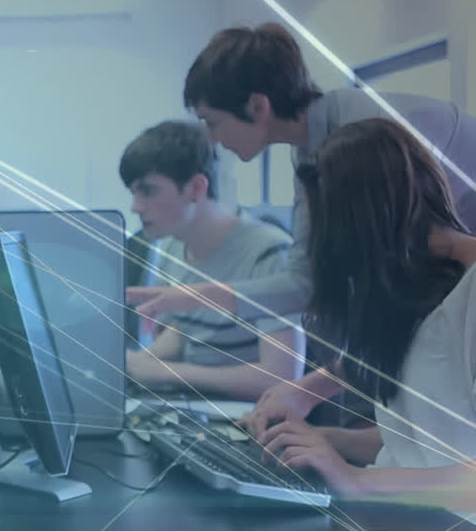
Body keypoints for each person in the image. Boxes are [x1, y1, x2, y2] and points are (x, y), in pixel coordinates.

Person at [167, 118, 476, 531]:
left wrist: (354, 479)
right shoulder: (420, 288)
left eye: (320, 229)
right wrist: (331, 433)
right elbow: (432, 424)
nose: (314, 252)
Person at [127, 22, 476, 429]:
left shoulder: (367, 140)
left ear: (258, 106)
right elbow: (304, 282)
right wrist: (187, 297)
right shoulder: (313, 152)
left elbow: (393, 301)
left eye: (213, 121)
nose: (213, 140)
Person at [120, 121, 304, 401]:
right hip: (193, 411)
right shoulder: (170, 247)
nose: (136, 206)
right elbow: (185, 335)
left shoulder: (268, 251)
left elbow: (281, 376)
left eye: (148, 191)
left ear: (195, 188)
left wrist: (163, 372)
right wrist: (129, 364)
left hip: (248, 423)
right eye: (134, 193)